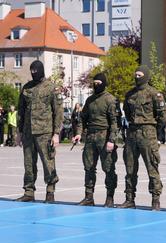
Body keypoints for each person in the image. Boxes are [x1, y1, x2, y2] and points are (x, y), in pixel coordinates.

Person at [118, 65, 166, 211]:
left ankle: (155, 199)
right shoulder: (130, 94)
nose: (137, 77)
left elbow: (162, 117)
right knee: (130, 168)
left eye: (140, 75)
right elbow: (127, 113)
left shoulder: (154, 94)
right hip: (132, 133)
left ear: (145, 76)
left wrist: (155, 132)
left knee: (152, 167)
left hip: (148, 133)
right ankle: (129, 198)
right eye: (136, 74)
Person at [15, 60, 63, 203]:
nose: (33, 73)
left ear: (41, 70)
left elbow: (58, 112)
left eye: (36, 71)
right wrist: (19, 132)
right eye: (32, 71)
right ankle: (29, 192)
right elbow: (21, 111)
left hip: (45, 133)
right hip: (28, 132)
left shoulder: (51, 88)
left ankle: (50, 191)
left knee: (48, 163)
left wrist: (56, 134)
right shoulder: (26, 88)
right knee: (28, 164)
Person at [72, 73, 120, 207]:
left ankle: (109, 198)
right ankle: (89, 197)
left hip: (105, 137)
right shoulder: (90, 100)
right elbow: (82, 118)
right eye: (94, 83)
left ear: (104, 83)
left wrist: (112, 140)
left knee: (108, 168)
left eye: (99, 83)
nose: (96, 85)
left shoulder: (110, 99)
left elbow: (115, 122)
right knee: (88, 167)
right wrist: (79, 133)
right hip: (91, 137)